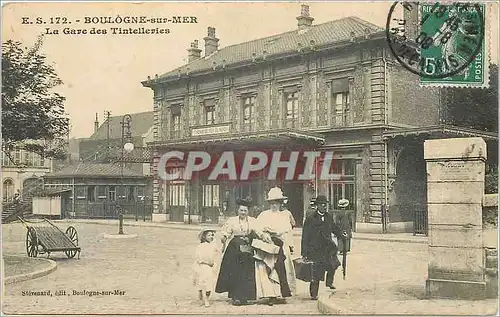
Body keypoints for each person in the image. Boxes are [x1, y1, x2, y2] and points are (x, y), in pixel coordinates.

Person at [253, 187, 296, 306]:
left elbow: (286, 231)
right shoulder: (263, 215)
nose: (274, 205)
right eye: (272, 203)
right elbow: (257, 228)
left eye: (276, 203)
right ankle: (269, 294)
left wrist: (291, 246)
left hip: (280, 245)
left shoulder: (284, 216)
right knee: (266, 270)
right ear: (269, 203)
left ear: (280, 203)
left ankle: (279, 294)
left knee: (280, 269)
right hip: (267, 246)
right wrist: (264, 234)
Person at [215, 197, 260, 306]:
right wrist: (224, 237)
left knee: (247, 273)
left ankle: (246, 297)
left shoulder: (253, 221)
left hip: (248, 249)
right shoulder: (232, 221)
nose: (243, 212)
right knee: (235, 272)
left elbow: (258, 231)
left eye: (245, 211)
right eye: (241, 210)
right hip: (235, 249)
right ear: (237, 210)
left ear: (248, 211)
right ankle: (235, 296)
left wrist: (264, 236)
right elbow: (226, 232)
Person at [301, 195, 347, 300]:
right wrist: (304, 252)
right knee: (316, 273)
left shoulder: (328, 216)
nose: (324, 206)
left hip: (328, 248)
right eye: (321, 204)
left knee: (333, 264)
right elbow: (305, 236)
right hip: (315, 250)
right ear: (317, 206)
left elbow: (334, 228)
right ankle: (314, 294)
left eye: (325, 204)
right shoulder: (310, 218)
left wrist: (341, 234)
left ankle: (329, 282)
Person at [192, 228, 219, 307]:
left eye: (212, 235)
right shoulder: (201, 246)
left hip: (211, 266)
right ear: (204, 236)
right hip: (203, 266)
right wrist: (206, 262)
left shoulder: (213, 245)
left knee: (209, 283)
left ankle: (207, 298)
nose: (211, 237)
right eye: (208, 235)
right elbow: (199, 258)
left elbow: (218, 251)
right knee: (201, 282)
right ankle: (200, 293)